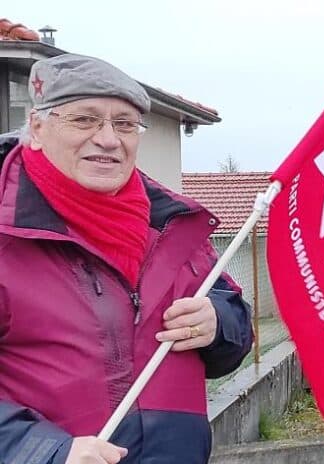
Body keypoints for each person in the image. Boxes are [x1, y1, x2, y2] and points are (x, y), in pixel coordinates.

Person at [0, 54, 252, 464]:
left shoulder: (172, 224)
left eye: (124, 124)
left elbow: (237, 334)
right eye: (84, 119)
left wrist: (219, 323)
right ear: (38, 129)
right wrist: (47, 451)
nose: (108, 139)